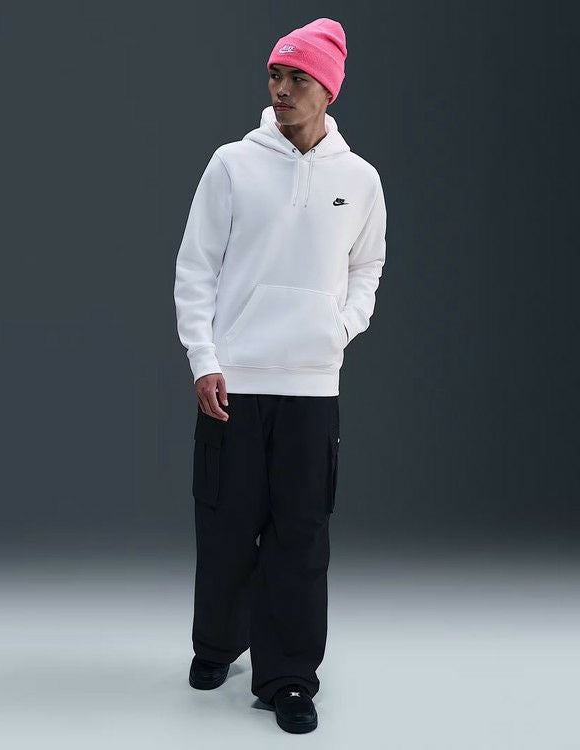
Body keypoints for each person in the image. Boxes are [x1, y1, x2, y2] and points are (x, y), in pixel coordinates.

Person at [173, 17, 387, 734]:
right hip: (234, 380)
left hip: (311, 384)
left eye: (299, 77)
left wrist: (341, 327)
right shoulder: (232, 164)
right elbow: (195, 268)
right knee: (226, 525)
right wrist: (204, 360)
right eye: (275, 74)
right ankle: (216, 644)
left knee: (301, 533)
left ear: (329, 89)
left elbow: (368, 264)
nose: (283, 88)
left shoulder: (359, 179)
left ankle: (289, 677)